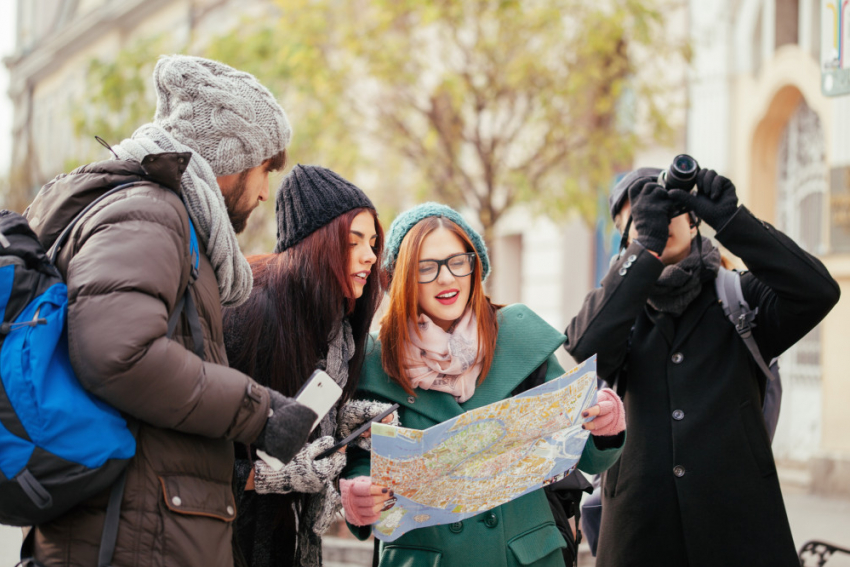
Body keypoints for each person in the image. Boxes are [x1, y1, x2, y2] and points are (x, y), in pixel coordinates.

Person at [23, 55, 316, 567]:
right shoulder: (151, 211)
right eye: (265, 168)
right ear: (232, 158)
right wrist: (260, 412)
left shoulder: (169, 219)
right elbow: (120, 353)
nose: (267, 191)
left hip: (146, 530)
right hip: (129, 539)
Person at [564, 166, 840, 567]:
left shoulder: (739, 298)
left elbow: (818, 290)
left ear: (694, 222)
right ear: (626, 241)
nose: (660, 221)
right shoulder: (617, 314)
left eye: (669, 209)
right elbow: (581, 350)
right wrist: (647, 249)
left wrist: (732, 219)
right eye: (643, 217)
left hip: (740, 534)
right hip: (639, 537)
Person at [341, 203, 627, 567]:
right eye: (426, 268)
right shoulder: (373, 363)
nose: (446, 278)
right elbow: (361, 461)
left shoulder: (519, 339)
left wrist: (605, 424)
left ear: (475, 267)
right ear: (401, 278)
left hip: (527, 556)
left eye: (458, 261)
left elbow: (583, 453)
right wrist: (359, 495)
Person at [223, 165, 397, 567]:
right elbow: (187, 461)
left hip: (296, 544)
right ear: (316, 245)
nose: (370, 256)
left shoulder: (340, 329)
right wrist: (269, 477)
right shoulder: (250, 312)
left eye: (373, 242)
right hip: (230, 544)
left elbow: (297, 414)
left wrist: (343, 424)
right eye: (354, 242)